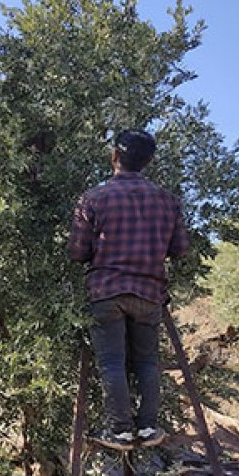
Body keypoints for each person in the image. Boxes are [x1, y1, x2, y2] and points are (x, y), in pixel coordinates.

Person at [68, 129, 189, 450]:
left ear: (114, 157)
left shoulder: (93, 198)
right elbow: (180, 250)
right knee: (147, 362)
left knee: (111, 362)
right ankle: (149, 428)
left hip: (106, 291)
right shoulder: (168, 200)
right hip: (149, 294)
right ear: (148, 161)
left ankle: (120, 430)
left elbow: (77, 253)